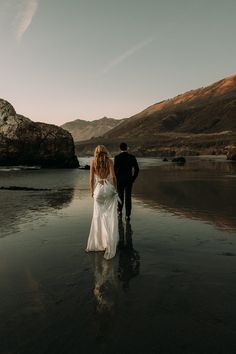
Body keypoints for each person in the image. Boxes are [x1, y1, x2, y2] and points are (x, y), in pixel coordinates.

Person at [86, 145, 119, 260]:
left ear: (96, 152)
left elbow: (90, 179)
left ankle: (100, 242)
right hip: (108, 189)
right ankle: (109, 240)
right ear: (105, 151)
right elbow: (114, 177)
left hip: (99, 190)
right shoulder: (109, 161)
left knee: (98, 217)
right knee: (109, 216)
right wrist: (115, 189)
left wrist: (91, 192)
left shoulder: (92, 162)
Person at [114, 142, 139, 221]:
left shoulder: (117, 157)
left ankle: (120, 211)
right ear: (127, 148)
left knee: (120, 196)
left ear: (120, 148)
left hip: (120, 180)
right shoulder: (132, 157)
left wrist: (117, 178)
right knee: (128, 197)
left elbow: (114, 170)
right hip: (129, 180)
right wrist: (133, 179)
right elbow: (137, 169)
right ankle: (128, 215)